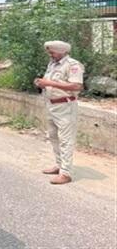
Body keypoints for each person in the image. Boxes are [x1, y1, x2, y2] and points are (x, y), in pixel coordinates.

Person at [34, 40, 84, 185]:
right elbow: (50, 81)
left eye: (52, 52)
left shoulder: (73, 65)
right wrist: (41, 83)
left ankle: (66, 173)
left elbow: (76, 86)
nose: (50, 54)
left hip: (65, 106)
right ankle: (59, 165)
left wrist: (49, 83)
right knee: (53, 137)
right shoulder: (52, 64)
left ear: (62, 51)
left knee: (65, 139)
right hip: (51, 105)